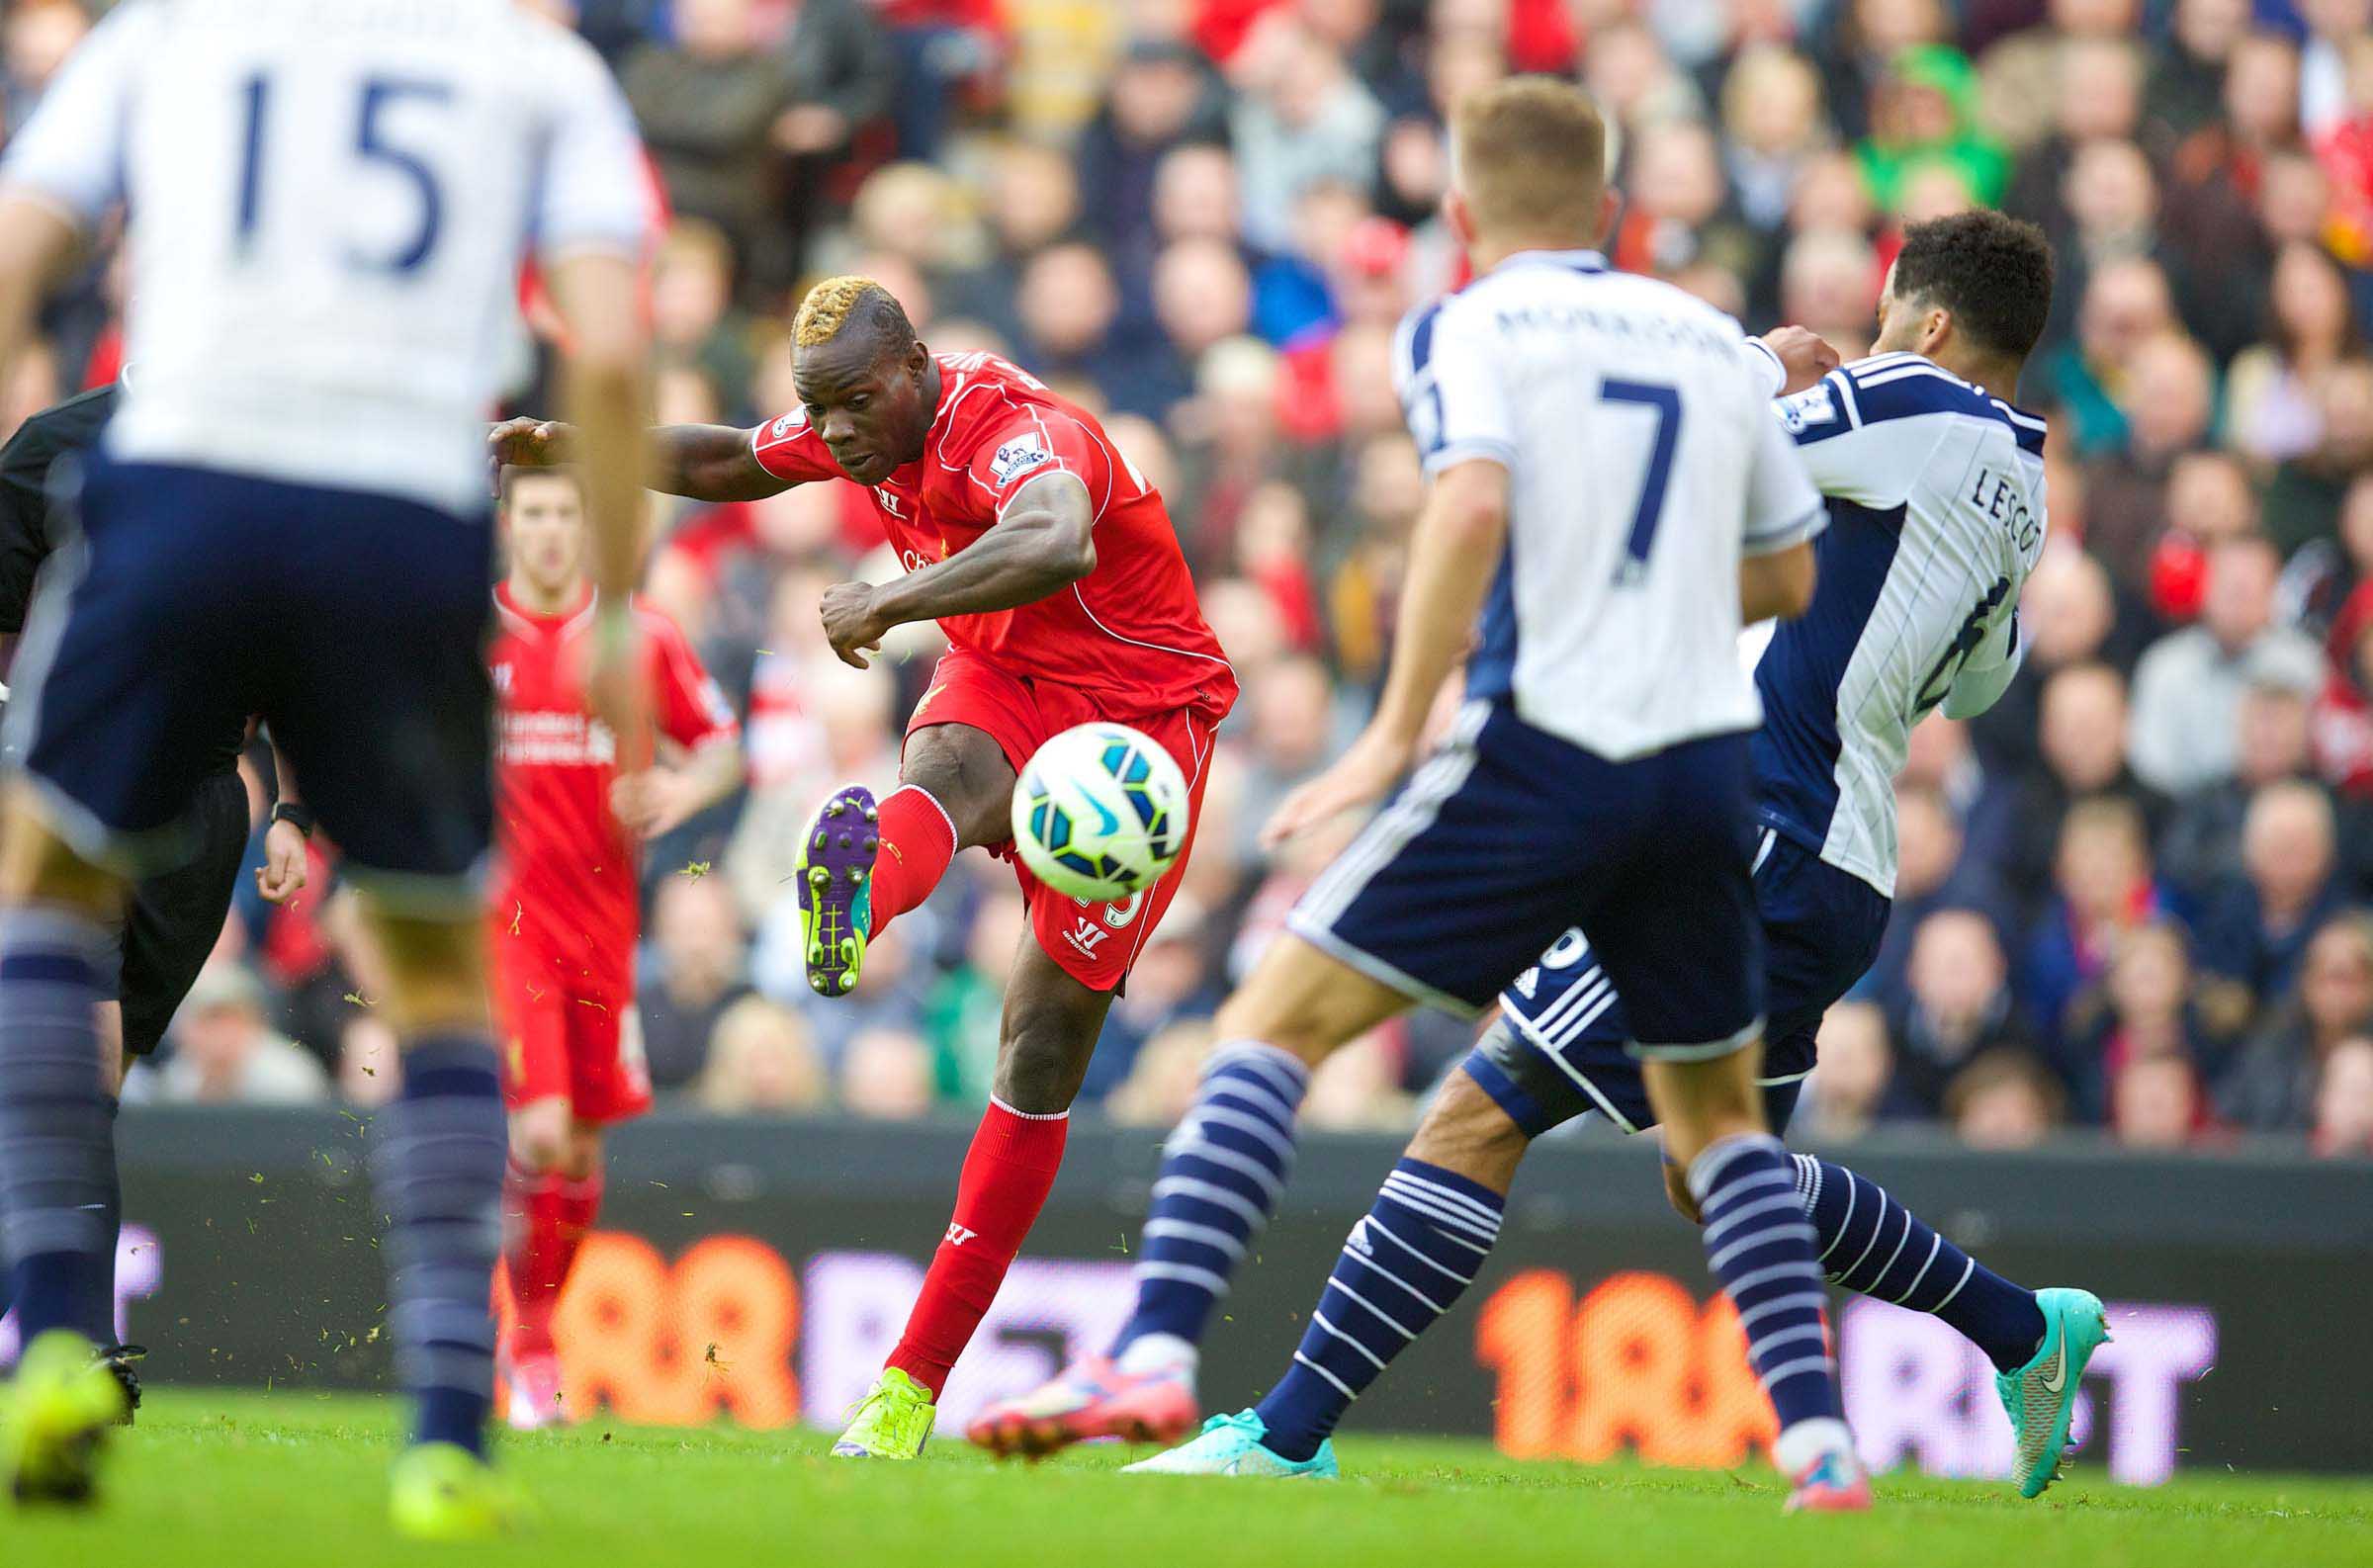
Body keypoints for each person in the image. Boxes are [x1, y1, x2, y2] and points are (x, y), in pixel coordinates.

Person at [1021, 203, 2106, 1510]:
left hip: (1754, 828)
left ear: (1927, 322)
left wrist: (1761, 361)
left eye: (1881, 321)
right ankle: (2021, 1329)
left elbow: (1705, 444)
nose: (1864, 345)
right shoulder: (2025, 490)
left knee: (1482, 1105)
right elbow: (1980, 687)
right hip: (1843, 860)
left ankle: (1284, 1429)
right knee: (1720, 1179)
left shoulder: (1909, 400)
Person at [0, 0, 655, 1535]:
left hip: (183, 483)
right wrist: (616, 603)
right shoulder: (532, 65)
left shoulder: (173, 38)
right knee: (430, 965)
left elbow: (23, 240)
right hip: (403, 513)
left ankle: (44, 1340)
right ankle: (445, 1428)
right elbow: (613, 348)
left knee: (43, 896)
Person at [490, 273, 1237, 1459]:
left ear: (917, 366)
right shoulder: (860, 428)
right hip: (1003, 679)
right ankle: (856, 905)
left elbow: (1054, 535)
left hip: (1141, 726)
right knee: (937, 768)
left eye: (853, 404)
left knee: (1041, 1047)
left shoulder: (1013, 428)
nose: (835, 429)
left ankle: (910, 1379)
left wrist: (890, 602)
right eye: (818, 407)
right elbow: (738, 462)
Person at [0, 381, 313, 1405]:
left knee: (89, 1086)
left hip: (205, 809)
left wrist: (293, 813)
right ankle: (78, 1342)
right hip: (76, 783)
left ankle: (50, 1312)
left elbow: (302, 659)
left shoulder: (272, 448)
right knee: (74, 1069)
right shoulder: (54, 447)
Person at [484, 465, 742, 1431]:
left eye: (567, 513)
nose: (551, 531)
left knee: (583, 1146)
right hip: (505, 925)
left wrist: (682, 789)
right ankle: (529, 1340)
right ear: (510, 524)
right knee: (542, 1130)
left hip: (603, 929)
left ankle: (534, 1326)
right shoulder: (478, 642)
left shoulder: (637, 637)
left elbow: (720, 741)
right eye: (536, 513)